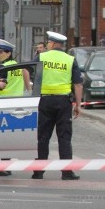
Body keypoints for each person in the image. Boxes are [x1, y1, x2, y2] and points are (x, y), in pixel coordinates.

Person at [32, 31, 83, 180]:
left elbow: (26, 70)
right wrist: (78, 105)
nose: (47, 45)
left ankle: (39, 172)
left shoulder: (41, 57)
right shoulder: (70, 59)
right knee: (64, 138)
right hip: (63, 103)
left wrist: (31, 90)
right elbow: (78, 84)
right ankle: (66, 172)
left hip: (45, 101)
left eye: (48, 43)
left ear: (53, 44)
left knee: (43, 137)